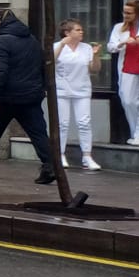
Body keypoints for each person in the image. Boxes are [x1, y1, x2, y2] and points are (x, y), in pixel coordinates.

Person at [0, 7, 57, 184]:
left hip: (6, 98)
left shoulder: (1, 42)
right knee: (39, 134)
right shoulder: (32, 40)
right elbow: (43, 66)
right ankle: (50, 167)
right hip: (30, 97)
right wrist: (42, 88)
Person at [53, 19, 100, 172]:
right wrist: (61, 44)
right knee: (62, 124)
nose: (82, 32)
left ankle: (87, 155)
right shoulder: (57, 46)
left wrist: (96, 55)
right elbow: (50, 61)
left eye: (81, 30)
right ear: (67, 33)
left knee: (84, 122)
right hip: (62, 90)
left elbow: (94, 69)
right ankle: (60, 154)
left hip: (82, 90)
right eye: (78, 30)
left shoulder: (86, 48)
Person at [108, 0, 139, 145]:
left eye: (129, 13)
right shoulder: (119, 28)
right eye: (124, 12)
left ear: (138, 14)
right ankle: (136, 132)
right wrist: (122, 43)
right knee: (127, 100)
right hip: (128, 66)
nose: (125, 15)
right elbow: (110, 47)